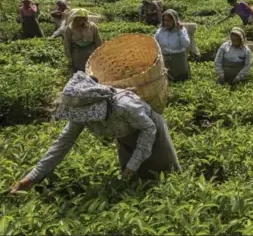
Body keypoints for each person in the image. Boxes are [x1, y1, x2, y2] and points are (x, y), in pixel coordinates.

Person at [9, 72, 181, 193]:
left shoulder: (124, 105)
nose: (86, 120)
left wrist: (133, 163)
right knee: (133, 182)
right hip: (124, 137)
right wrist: (32, 177)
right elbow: (61, 145)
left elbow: (148, 129)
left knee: (166, 175)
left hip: (153, 134)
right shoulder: (82, 113)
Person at [154, 9, 191, 81]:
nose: (166, 23)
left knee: (181, 80)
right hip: (165, 59)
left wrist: (180, 31)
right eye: (165, 20)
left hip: (178, 60)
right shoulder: (160, 31)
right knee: (167, 80)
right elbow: (154, 42)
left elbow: (186, 44)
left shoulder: (181, 30)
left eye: (169, 20)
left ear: (175, 20)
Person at [64, 8, 103, 74]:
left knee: (92, 72)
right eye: (77, 19)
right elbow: (67, 44)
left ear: (85, 18)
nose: (79, 21)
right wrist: (69, 58)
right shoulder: (69, 28)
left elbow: (98, 40)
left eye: (81, 18)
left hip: (91, 52)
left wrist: (101, 53)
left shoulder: (92, 26)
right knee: (79, 73)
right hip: (77, 54)